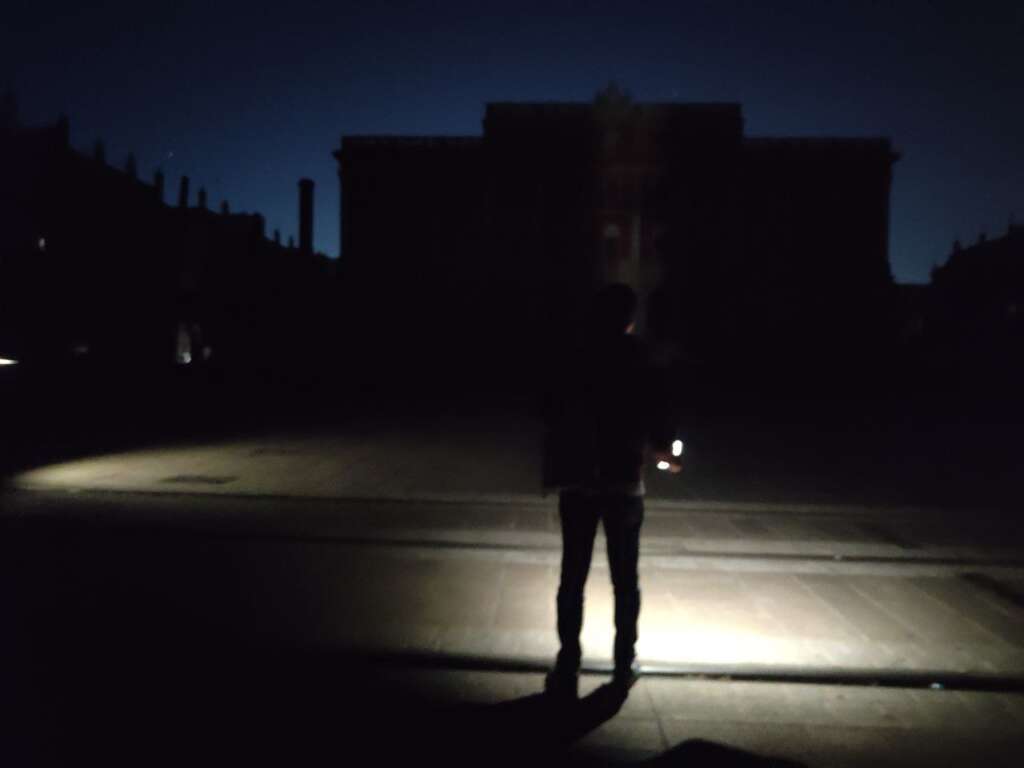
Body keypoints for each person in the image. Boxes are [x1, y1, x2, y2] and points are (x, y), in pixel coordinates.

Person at [541, 283, 681, 701]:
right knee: (625, 578)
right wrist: (667, 454)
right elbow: (658, 416)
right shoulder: (641, 358)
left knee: (573, 574)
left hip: (578, 480)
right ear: (629, 318)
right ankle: (624, 660)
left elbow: (550, 410)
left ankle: (568, 661)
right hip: (623, 480)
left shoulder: (574, 354)